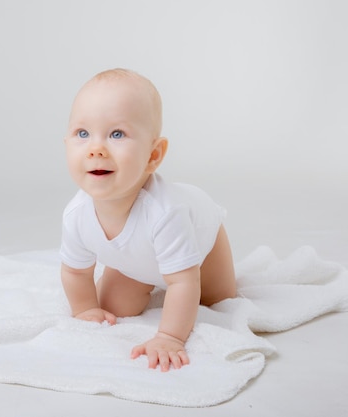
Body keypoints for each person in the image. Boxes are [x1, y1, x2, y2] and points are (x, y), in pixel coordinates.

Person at [59, 68, 237, 372]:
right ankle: (137, 273)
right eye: (82, 133)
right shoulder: (77, 214)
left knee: (217, 301)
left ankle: (191, 285)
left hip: (202, 240)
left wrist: (169, 336)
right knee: (112, 308)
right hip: (138, 258)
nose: (95, 148)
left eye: (117, 134)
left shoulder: (166, 213)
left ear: (153, 155)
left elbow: (183, 282)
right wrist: (85, 309)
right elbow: (76, 272)